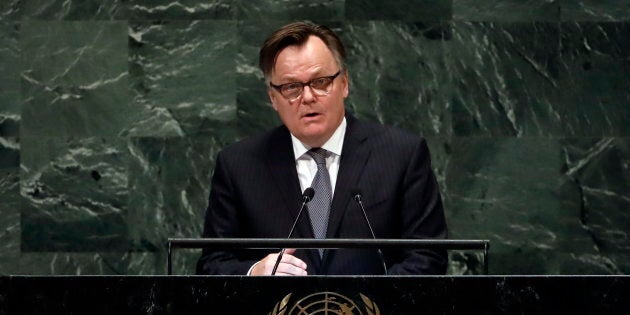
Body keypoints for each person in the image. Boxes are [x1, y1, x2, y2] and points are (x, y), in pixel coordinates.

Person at [196, 21, 448, 276]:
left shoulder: (401, 154)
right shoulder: (239, 165)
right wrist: (254, 273)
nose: (307, 97)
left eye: (320, 81)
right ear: (273, 97)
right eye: (291, 87)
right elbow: (212, 265)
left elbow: (428, 257)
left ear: (344, 83)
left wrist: (367, 300)